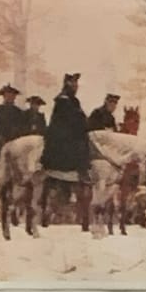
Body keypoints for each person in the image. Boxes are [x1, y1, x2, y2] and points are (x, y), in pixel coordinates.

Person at [40, 69, 92, 226]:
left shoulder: (74, 101)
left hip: (69, 133)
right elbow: (68, 120)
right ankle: (81, 170)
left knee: (86, 139)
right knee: (79, 143)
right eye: (73, 83)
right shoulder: (62, 100)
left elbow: (79, 117)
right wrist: (81, 123)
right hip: (60, 138)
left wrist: (85, 123)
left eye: (76, 84)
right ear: (67, 84)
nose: (75, 86)